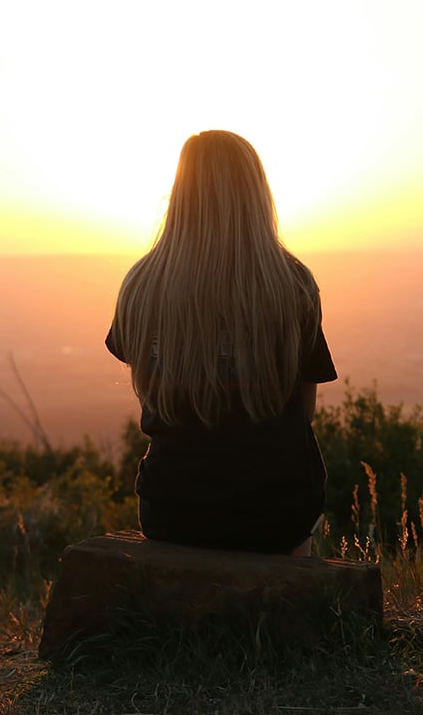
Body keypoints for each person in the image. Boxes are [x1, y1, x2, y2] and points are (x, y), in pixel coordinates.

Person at [106, 130, 337, 556]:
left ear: (180, 194)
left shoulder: (140, 285)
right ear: (256, 194)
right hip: (277, 512)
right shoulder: (294, 285)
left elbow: (150, 392)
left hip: (172, 510)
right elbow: (304, 413)